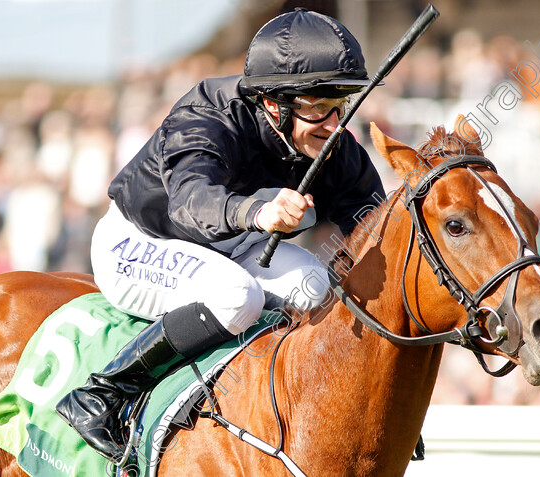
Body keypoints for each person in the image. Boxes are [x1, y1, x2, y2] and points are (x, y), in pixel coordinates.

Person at [56, 8, 385, 461]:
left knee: (319, 290)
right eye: (319, 107)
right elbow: (191, 202)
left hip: (230, 248)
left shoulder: (328, 144)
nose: (334, 125)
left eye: (339, 105)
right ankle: (105, 392)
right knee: (237, 297)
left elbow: (374, 223)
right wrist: (258, 211)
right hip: (140, 242)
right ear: (273, 103)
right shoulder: (207, 115)